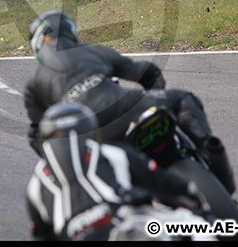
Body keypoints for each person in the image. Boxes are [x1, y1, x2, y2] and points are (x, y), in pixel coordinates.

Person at [23, 10, 235, 196]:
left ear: (37, 44)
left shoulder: (33, 84)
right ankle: (210, 153)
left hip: (94, 137)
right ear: (71, 33)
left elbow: (38, 136)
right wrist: (154, 97)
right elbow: (147, 72)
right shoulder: (93, 51)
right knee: (182, 98)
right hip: (129, 108)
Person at [26, 102, 215, 241]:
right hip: (126, 224)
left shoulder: (35, 186)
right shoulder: (110, 152)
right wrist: (198, 201)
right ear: (90, 130)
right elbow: (164, 182)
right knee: (195, 225)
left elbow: (41, 237)